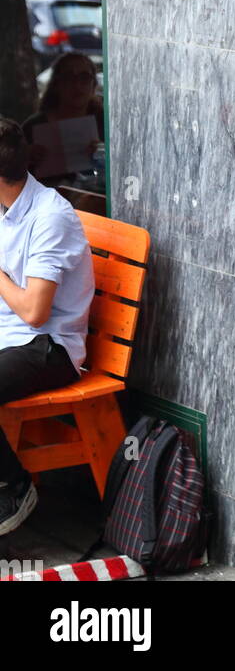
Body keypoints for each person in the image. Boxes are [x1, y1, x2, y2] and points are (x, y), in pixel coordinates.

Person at [0, 118, 95, 535]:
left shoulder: (50, 216)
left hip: (48, 347)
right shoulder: (5, 206)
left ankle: (14, 486)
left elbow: (35, 312)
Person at [24, 53, 104, 192]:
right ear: (56, 84)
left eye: (84, 77)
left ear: (94, 85)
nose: (77, 85)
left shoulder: (106, 123)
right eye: (68, 78)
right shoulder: (33, 127)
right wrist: (25, 158)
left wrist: (104, 154)